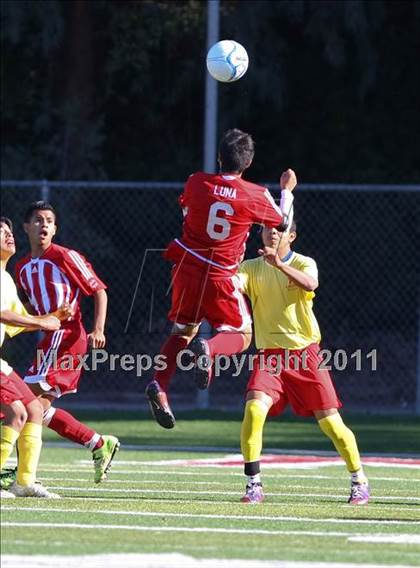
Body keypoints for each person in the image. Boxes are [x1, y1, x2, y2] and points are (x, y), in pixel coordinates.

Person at [145, 128, 297, 429]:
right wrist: (287, 190)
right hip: (220, 274)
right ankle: (210, 349)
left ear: (218, 157)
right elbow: (282, 222)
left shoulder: (196, 181)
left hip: (187, 267)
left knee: (181, 331)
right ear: (248, 162)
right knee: (243, 335)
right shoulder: (254, 194)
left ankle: (159, 385)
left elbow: (187, 210)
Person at [238, 221, 370, 505]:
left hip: (305, 355)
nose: (272, 232)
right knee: (253, 408)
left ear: (292, 236)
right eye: (267, 228)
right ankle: (253, 484)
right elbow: (233, 286)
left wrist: (279, 265)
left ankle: (359, 480)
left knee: (332, 425)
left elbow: (311, 283)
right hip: (270, 356)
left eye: (279, 229)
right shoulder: (250, 266)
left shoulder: (303, 262)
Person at [14, 202, 120, 484]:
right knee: (37, 408)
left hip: (67, 336)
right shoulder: (22, 267)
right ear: (26, 227)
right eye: (38, 220)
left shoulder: (65, 256)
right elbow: (26, 307)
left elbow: (99, 291)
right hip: (49, 339)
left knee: (18, 400)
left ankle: (20, 472)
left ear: (55, 228)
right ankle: (97, 443)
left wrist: (98, 329)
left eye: (49, 220)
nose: (44, 225)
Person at [0, 216, 66, 498]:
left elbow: (16, 322)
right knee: (16, 413)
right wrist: (42, 323)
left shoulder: (6, 278)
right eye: (0, 232)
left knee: (34, 409)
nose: (8, 235)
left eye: (9, 231)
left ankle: (24, 482)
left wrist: (52, 317)